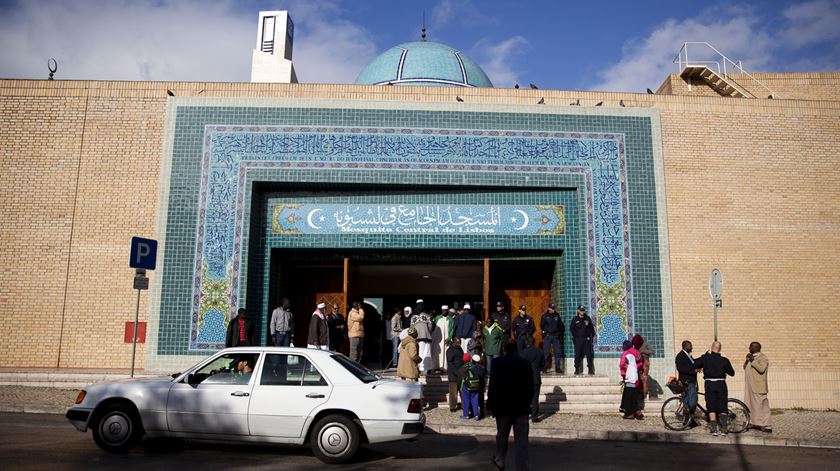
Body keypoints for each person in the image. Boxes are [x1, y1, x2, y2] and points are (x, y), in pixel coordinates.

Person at [488, 341, 533, 471]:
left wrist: (490, 404)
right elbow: (530, 386)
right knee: (521, 440)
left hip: (503, 407)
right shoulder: (525, 363)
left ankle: (500, 459)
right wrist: (528, 402)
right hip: (521, 407)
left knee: (502, 435)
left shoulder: (497, 363)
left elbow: (493, 385)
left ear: (504, 349)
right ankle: (522, 466)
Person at [694, 341, 735, 436]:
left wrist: (705, 355)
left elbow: (695, 364)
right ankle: (724, 428)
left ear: (711, 348)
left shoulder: (705, 358)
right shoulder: (724, 360)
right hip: (721, 383)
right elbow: (732, 373)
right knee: (723, 405)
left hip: (709, 384)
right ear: (720, 349)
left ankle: (714, 429)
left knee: (711, 404)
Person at [743, 341, 772, 433]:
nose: (749, 348)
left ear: (756, 348)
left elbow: (761, 369)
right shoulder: (752, 357)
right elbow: (745, 367)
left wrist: (752, 360)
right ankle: (752, 422)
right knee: (750, 405)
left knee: (761, 405)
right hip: (750, 386)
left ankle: (766, 425)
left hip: (758, 386)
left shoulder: (762, 357)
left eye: (750, 347)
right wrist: (747, 360)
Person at [519, 336, 545, 422]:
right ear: (534, 342)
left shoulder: (522, 353)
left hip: (525, 379)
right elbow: (543, 364)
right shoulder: (539, 351)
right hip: (536, 378)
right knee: (535, 398)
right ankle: (534, 417)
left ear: (526, 343)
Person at [675, 340, 699, 427]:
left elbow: (694, 363)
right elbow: (681, 368)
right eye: (690, 346)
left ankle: (689, 420)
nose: (691, 347)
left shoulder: (688, 356)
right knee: (691, 402)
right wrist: (694, 371)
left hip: (692, 381)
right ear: (685, 346)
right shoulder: (680, 356)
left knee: (690, 401)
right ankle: (687, 419)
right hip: (687, 382)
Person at [619, 340, 643, 419]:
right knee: (634, 395)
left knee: (628, 396)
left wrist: (625, 371)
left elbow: (622, 364)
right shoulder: (636, 352)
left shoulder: (626, 353)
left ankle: (630, 413)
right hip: (636, 376)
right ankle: (637, 412)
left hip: (629, 376)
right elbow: (640, 363)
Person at [458, 353, 485, 421]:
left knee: (465, 400)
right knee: (475, 400)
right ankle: (476, 415)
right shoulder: (475, 367)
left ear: (463, 360)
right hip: (475, 385)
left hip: (466, 386)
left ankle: (466, 415)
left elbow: (460, 380)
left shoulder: (462, 368)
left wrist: (460, 387)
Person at [570, 305, 596, 375]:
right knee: (577, 354)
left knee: (589, 354)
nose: (582, 312)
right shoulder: (575, 319)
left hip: (586, 339)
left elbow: (592, 329)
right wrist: (575, 337)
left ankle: (590, 369)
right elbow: (571, 329)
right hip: (578, 339)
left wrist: (590, 338)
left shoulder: (587, 319)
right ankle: (577, 369)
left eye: (583, 310)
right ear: (578, 311)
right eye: (581, 310)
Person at [410, 300, 434, 373]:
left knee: (418, 352)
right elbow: (430, 326)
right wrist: (427, 332)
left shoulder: (413, 316)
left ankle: (419, 368)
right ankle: (426, 369)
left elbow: (411, 328)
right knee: (426, 352)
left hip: (416, 338)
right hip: (426, 337)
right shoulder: (426, 315)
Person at [540, 303, 564, 374]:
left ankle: (557, 367)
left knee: (557, 352)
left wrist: (558, 333)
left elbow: (561, 325)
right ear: (549, 308)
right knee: (546, 352)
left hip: (555, 336)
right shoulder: (545, 316)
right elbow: (542, 325)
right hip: (548, 336)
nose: (553, 310)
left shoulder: (557, 315)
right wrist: (545, 333)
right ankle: (545, 368)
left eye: (554, 308)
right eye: (552, 308)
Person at [432, 306, 455, 373]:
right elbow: (433, 327)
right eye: (442, 310)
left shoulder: (450, 319)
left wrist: (449, 338)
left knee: (445, 353)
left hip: (446, 339)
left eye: (445, 310)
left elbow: (452, 330)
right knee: (436, 352)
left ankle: (444, 368)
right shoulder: (437, 317)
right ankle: (436, 367)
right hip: (437, 340)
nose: (443, 312)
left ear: (447, 311)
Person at [446, 338, 465, 412]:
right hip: (453, 375)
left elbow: (462, 359)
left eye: (460, 343)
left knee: (462, 391)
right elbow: (450, 364)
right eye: (457, 343)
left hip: (461, 373)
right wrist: (457, 373)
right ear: (453, 342)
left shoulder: (460, 349)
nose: (459, 344)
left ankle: (464, 405)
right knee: (453, 392)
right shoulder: (450, 351)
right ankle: (453, 407)